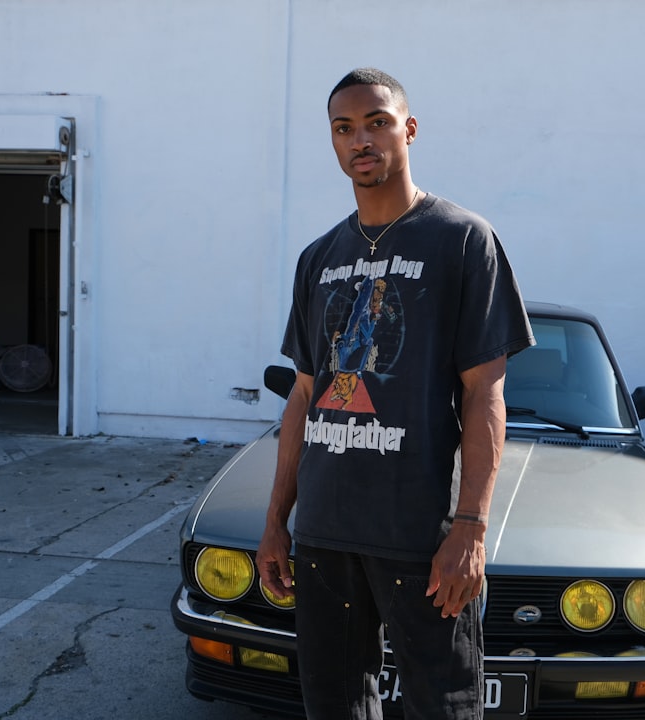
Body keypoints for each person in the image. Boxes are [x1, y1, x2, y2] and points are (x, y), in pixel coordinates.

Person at [256, 67, 534, 720]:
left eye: (377, 122)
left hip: (421, 540)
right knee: (335, 708)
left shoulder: (462, 240)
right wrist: (276, 522)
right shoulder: (318, 257)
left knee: (444, 709)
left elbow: (484, 395)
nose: (362, 140)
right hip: (324, 538)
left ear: (408, 129)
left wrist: (469, 527)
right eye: (344, 128)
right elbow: (303, 397)